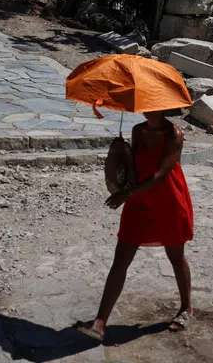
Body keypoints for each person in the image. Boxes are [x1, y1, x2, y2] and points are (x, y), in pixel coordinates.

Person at [79, 110, 195, 342]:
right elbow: (134, 167)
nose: (148, 108)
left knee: (175, 255)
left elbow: (161, 174)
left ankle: (186, 308)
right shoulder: (137, 130)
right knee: (121, 255)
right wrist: (120, 152)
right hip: (139, 200)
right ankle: (100, 321)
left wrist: (126, 194)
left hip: (168, 200)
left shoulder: (175, 135)